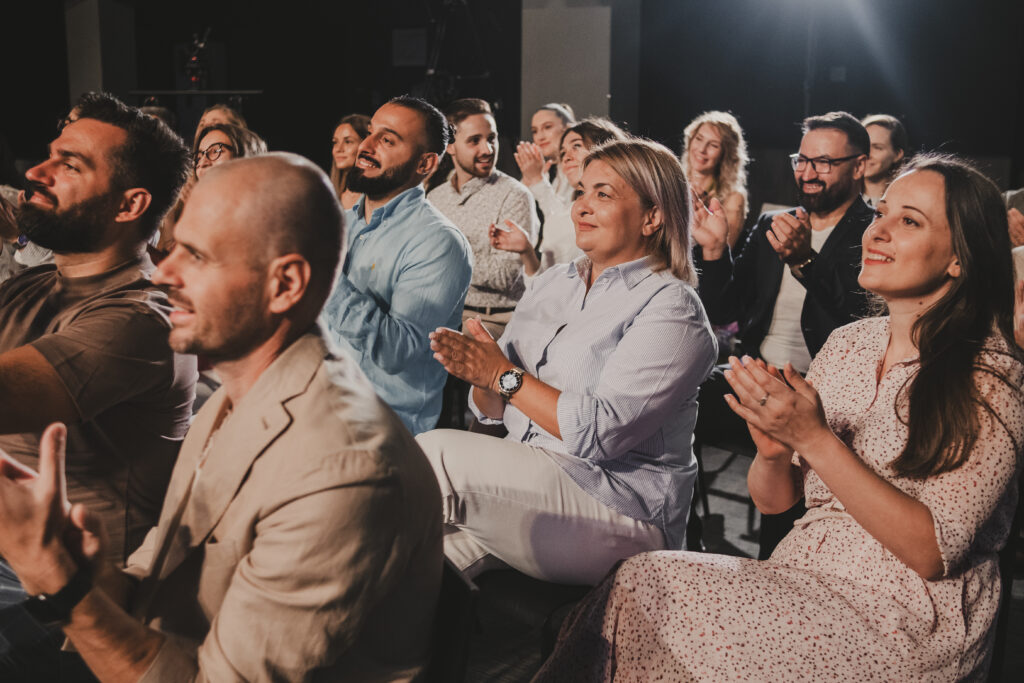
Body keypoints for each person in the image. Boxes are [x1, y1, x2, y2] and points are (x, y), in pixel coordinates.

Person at [536, 154, 1024, 681]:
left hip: (903, 618)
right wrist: (773, 451)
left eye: (909, 221)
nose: (878, 231)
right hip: (802, 576)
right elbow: (777, 503)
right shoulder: (849, 344)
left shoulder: (990, 378)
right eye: (881, 213)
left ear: (960, 257)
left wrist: (814, 440)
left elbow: (932, 552)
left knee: (644, 590)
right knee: (641, 608)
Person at [0, 153, 443, 681]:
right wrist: (82, 567)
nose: (164, 272)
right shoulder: (243, 391)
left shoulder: (344, 471)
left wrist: (59, 584)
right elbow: (161, 578)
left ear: (285, 285)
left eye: (196, 255)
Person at [418, 138, 717, 585]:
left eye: (603, 194)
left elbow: (600, 433)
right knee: (412, 566)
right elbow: (492, 410)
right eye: (581, 191)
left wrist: (499, 373)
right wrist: (481, 373)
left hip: (618, 507)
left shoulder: (672, 307)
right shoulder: (553, 282)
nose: (581, 207)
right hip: (530, 480)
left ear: (652, 216)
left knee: (433, 456)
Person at [0, 92, 196, 565]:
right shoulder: (32, 284)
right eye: (50, 156)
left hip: (71, 581)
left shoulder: (145, 320)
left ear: (129, 205)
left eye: (69, 165)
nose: (35, 173)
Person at [695, 111, 874, 555]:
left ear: (859, 166)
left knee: (786, 491)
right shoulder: (774, 223)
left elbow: (860, 323)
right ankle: (679, 533)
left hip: (823, 391)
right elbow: (726, 309)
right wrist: (714, 250)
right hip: (757, 374)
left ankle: (776, 568)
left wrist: (804, 261)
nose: (808, 173)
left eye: (824, 162)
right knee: (673, 400)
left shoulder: (874, 231)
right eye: (802, 160)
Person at [322, 95, 473, 435]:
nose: (366, 146)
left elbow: (398, 351)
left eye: (387, 140)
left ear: (425, 163)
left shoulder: (438, 241)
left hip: (381, 427)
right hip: (320, 405)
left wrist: (324, 277)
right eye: (370, 133)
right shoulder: (341, 224)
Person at [427, 98, 539, 337]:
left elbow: (505, 277)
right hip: (444, 314)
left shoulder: (514, 195)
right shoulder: (435, 198)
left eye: (492, 138)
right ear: (450, 146)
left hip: (494, 320)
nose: (487, 150)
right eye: (474, 141)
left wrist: (445, 257)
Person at [491, 117, 627, 274]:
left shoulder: (615, 207)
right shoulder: (573, 208)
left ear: (605, 148)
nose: (566, 157)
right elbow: (545, 280)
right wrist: (526, 251)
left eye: (576, 146)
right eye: (563, 153)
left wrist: (538, 182)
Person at [155, 123, 267, 254]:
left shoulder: (260, 224)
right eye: (199, 156)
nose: (202, 163)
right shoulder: (194, 221)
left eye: (216, 151)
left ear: (245, 157)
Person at [680, 110, 749, 250]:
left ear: (726, 154)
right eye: (699, 139)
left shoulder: (734, 198)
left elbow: (722, 250)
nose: (702, 149)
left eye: (713, 145)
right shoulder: (671, 180)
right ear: (690, 140)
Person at [515, 104, 576, 243]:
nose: (540, 137)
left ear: (567, 129)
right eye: (534, 131)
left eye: (547, 127)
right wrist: (527, 181)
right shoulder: (547, 172)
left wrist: (537, 181)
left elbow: (565, 226)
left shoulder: (581, 171)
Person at [861, 113, 909, 207]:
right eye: (863, 145)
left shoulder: (906, 202)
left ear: (897, 155)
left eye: (877, 148)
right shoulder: (839, 197)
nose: (867, 154)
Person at [329, 113, 370, 209]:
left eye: (348, 142)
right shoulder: (329, 196)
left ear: (365, 145)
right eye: (335, 142)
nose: (339, 149)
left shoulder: (377, 198)